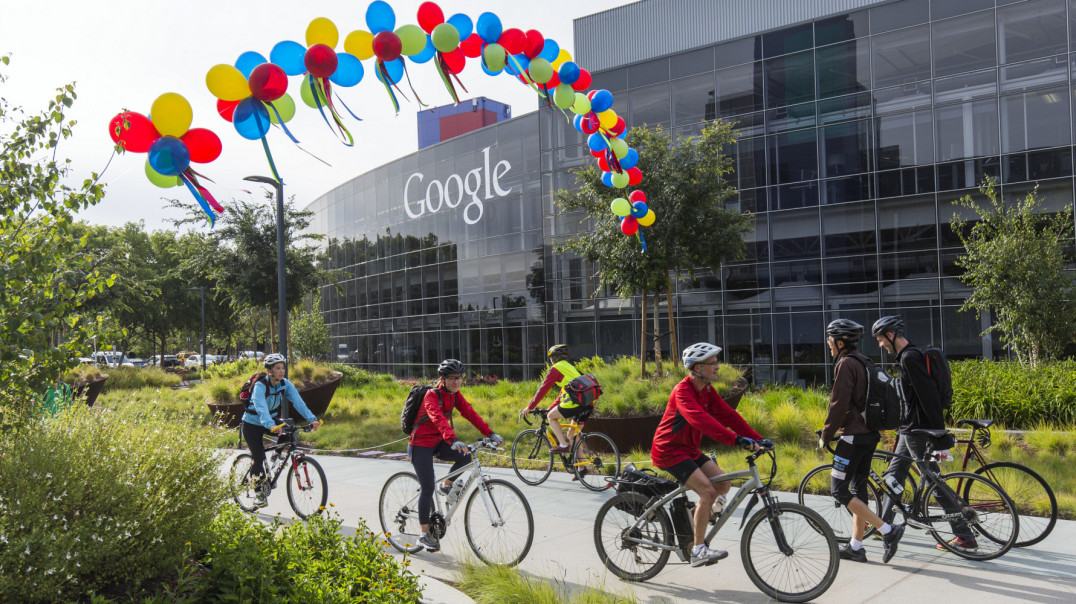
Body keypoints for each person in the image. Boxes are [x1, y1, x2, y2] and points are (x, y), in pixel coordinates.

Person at [651, 342, 769, 567]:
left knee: (724, 485)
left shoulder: (706, 390)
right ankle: (697, 550)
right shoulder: (683, 391)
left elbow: (729, 416)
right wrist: (735, 440)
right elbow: (701, 421)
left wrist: (756, 438)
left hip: (688, 449)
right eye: (712, 363)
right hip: (669, 450)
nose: (717, 367)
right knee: (707, 491)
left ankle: (695, 523)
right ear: (697, 368)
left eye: (717, 363)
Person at [873, 315, 977, 555]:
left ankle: (964, 535)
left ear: (891, 335)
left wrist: (936, 432)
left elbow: (928, 395)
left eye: (881, 339)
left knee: (933, 481)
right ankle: (883, 524)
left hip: (917, 431)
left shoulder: (909, 358)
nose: (880, 345)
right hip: (908, 429)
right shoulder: (908, 357)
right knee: (894, 474)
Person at [820, 319, 904, 563]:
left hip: (853, 437)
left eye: (830, 339)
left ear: (839, 342)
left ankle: (888, 530)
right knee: (858, 488)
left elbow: (839, 403)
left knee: (839, 490)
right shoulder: (865, 360)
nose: (827, 343)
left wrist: (826, 435)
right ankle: (856, 547)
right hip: (869, 435)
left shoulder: (846, 364)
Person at [409, 359, 503, 553]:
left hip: (439, 440)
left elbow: (471, 413)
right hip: (420, 443)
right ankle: (423, 534)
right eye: (452, 378)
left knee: (465, 455)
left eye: (459, 378)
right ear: (442, 379)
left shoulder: (455, 396)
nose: (456, 382)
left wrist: (490, 433)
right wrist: (452, 439)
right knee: (427, 487)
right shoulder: (431, 395)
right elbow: (437, 418)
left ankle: (447, 485)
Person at [240, 353, 321, 508]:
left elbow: (298, 402)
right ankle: (258, 494)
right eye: (278, 368)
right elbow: (260, 407)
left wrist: (312, 419)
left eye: (283, 368)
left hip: (270, 421)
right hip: (252, 424)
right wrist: (269, 424)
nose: (281, 371)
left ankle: (276, 457)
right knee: (258, 457)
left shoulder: (285, 384)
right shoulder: (260, 385)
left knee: (290, 430)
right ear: (270, 370)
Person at [517, 344, 589, 453]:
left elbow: (543, 389)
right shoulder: (570, 368)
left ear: (554, 358)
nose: (551, 361)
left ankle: (563, 445)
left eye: (551, 358)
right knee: (572, 435)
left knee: (551, 417)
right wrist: (550, 408)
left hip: (576, 402)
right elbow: (562, 395)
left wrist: (530, 407)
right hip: (587, 403)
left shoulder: (556, 368)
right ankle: (581, 467)